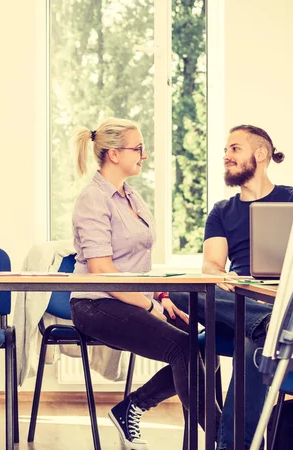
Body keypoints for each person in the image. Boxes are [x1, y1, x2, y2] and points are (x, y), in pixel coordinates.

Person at [69, 117, 220, 449]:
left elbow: (139, 260)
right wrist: (149, 304)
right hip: (96, 304)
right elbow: (103, 272)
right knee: (181, 347)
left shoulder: (131, 196)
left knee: (205, 345)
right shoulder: (93, 199)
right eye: (138, 148)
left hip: (132, 299)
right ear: (113, 154)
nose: (144, 155)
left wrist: (162, 297)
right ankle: (224, 438)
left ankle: (131, 407)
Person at [170, 124, 292, 450]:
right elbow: (211, 264)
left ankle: (231, 447)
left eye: (234, 149)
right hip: (239, 299)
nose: (226, 156)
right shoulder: (222, 212)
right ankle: (264, 325)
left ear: (261, 154)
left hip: (285, 300)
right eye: (226, 150)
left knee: (252, 346)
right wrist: (224, 277)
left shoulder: (291, 199)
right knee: (183, 289)